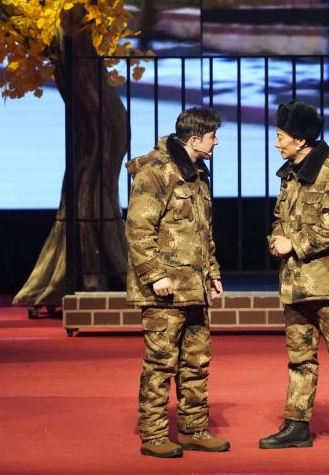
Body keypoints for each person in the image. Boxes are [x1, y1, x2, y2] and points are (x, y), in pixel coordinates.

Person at [258, 100, 329, 455]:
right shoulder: (291, 172)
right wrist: (276, 238)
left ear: (300, 139)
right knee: (299, 359)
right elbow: (280, 217)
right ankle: (297, 425)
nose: (277, 143)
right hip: (297, 284)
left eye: (281, 136)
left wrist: (295, 243)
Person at [125, 107, 230, 458]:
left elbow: (202, 232)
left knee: (196, 363)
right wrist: (155, 275)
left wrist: (212, 272)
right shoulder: (155, 172)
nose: (216, 142)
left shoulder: (197, 174)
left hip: (193, 287)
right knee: (160, 364)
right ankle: (154, 435)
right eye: (213, 136)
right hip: (165, 291)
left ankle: (193, 429)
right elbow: (139, 230)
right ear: (195, 139)